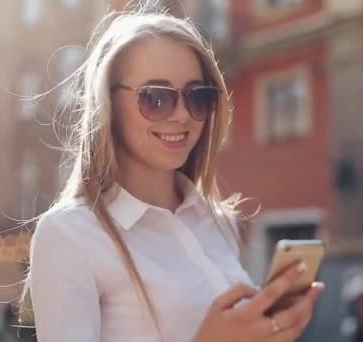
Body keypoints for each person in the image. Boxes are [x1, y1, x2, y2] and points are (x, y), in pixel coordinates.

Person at [22, 4, 324, 342]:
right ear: (109, 102)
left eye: (198, 97)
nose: (182, 116)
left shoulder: (218, 222)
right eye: (156, 98)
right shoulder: (69, 235)